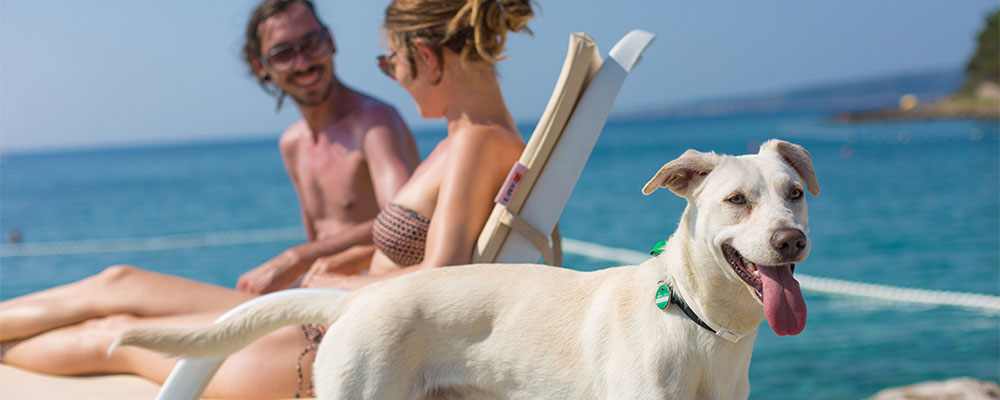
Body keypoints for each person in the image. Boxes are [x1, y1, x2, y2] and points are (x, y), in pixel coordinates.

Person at [0, 0, 533, 398]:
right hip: (319, 319)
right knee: (118, 284)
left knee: (114, 335)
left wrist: (333, 279)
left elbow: (441, 282)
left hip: (324, 342)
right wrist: (334, 270)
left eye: (391, 62)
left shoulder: (473, 141)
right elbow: (429, 253)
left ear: (426, 57)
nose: (394, 76)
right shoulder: (465, 139)